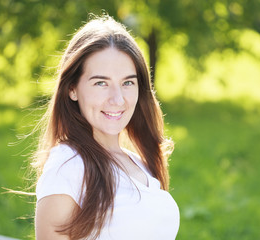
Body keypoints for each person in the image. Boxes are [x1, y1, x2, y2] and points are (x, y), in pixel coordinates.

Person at [33, 14, 179, 240]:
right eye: (101, 83)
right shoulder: (67, 166)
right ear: (72, 88)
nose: (117, 99)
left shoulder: (140, 163)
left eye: (127, 82)